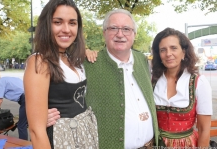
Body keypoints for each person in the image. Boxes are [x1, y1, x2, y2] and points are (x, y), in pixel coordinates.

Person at [48, 8, 159, 149]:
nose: (120, 34)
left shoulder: (143, 60)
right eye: (113, 28)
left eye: (126, 29)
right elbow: (62, 95)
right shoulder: (87, 64)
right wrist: (44, 115)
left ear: (134, 34)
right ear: (104, 33)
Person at [23, 0, 98, 149]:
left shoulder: (72, 58)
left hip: (83, 137)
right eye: (58, 22)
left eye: (72, 23)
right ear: (46, 25)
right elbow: (36, 130)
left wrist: (87, 50)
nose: (66, 29)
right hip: (61, 140)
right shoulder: (40, 61)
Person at [151, 27, 212, 148]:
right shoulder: (153, 81)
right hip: (156, 144)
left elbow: (204, 129)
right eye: (163, 50)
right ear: (159, 55)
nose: (168, 54)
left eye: (173, 48)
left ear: (183, 52)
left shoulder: (199, 82)